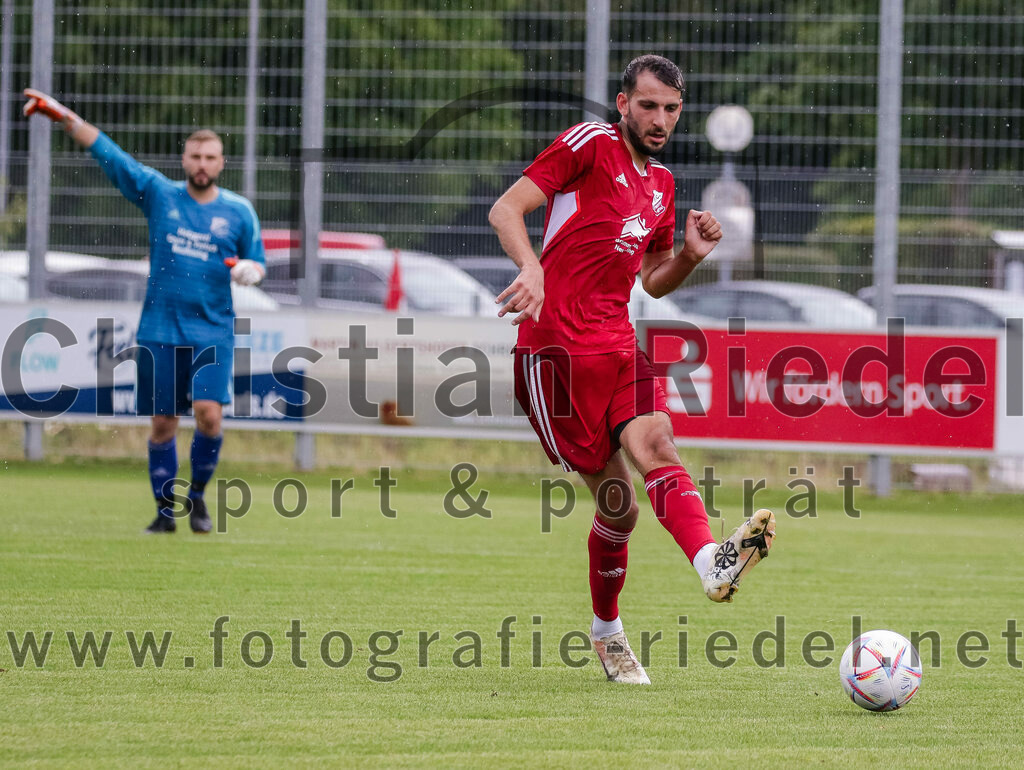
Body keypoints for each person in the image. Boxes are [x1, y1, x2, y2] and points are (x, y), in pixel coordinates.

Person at [489, 55, 776, 684]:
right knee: (620, 509)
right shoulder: (586, 144)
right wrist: (531, 268)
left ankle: (711, 563)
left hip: (618, 344)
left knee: (658, 441)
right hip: (554, 355)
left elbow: (654, 278)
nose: (660, 119)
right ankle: (607, 631)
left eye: (671, 109)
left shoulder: (663, 184)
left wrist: (693, 256)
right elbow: (506, 210)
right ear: (623, 104)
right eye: (648, 105)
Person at [23, 88, 266, 535]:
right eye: (195, 156)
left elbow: (257, 261)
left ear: (221, 163)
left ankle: (196, 498)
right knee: (162, 422)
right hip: (159, 330)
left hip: (212, 332)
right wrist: (63, 117)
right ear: (184, 160)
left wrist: (251, 270)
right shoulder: (160, 195)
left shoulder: (238, 211)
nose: (202, 164)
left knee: (210, 415)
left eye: (210, 157)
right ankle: (164, 508)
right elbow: (112, 156)